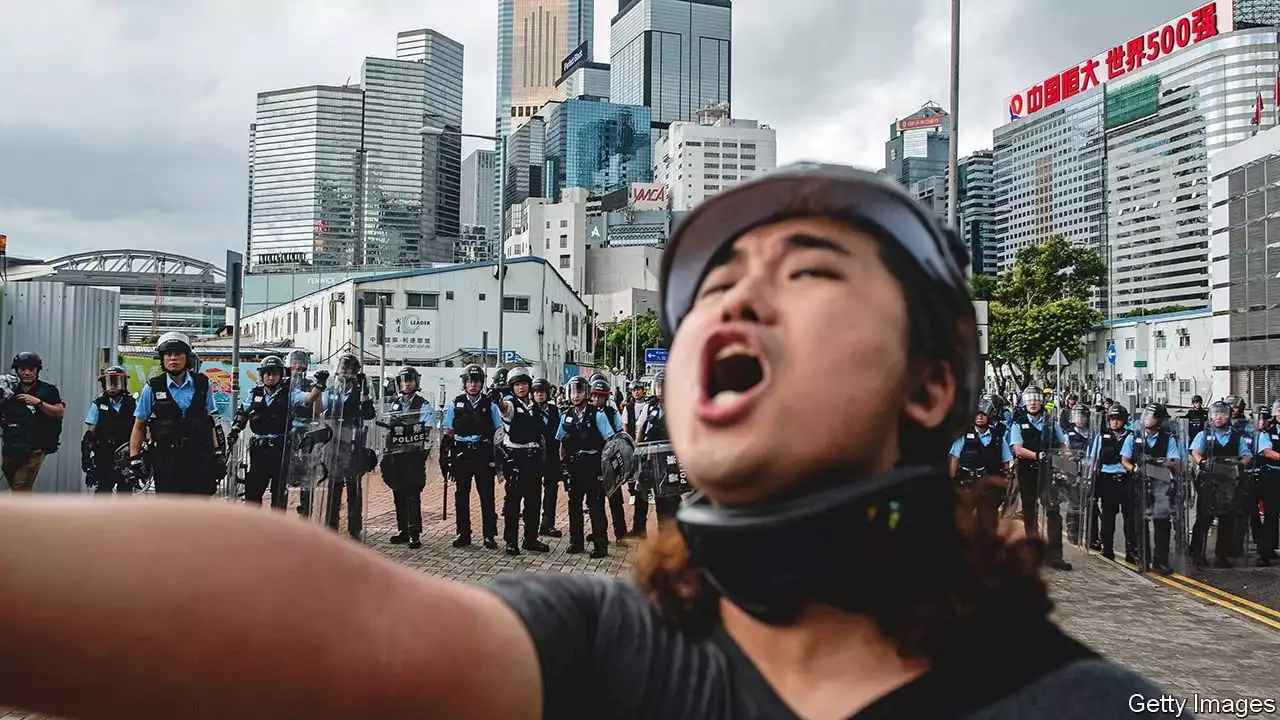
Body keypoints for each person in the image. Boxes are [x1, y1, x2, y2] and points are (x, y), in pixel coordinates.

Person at [0, 163, 1172, 719]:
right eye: (712, 285)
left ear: (930, 385)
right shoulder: (615, 650)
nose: (731, 301)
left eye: (804, 272)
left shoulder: (1091, 708)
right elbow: (347, 623)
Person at [130, 333, 221, 495]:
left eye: (178, 354)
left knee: (199, 510)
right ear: (162, 358)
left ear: (187, 357)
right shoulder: (152, 387)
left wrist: (218, 453)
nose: (173, 358)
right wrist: (134, 458)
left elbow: (212, 421)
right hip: (167, 460)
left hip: (199, 458)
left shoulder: (202, 384)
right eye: (168, 354)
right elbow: (139, 426)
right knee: (169, 512)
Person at [1008, 385, 1071, 570]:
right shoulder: (1018, 422)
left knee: (1053, 512)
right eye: (1029, 400)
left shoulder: (1050, 421)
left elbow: (1062, 444)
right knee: (1030, 513)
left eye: (1036, 399)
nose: (1033, 403)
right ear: (1024, 403)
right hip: (1027, 471)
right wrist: (1037, 455)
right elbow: (1017, 449)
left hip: (1048, 472)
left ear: (1042, 402)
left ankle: (1055, 555)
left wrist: (1071, 458)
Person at [440, 364, 502, 549]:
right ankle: (463, 534)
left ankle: (489, 535)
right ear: (464, 383)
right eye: (469, 381)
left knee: (487, 496)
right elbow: (449, 431)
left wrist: (497, 460)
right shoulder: (455, 404)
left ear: (482, 383)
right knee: (461, 496)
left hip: (483, 453)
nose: (473, 385)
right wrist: (445, 455)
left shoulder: (490, 405)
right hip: (462, 453)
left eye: (476, 381)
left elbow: (498, 432)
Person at [556, 375, 616, 558]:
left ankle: (600, 543)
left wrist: (604, 469)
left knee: (595, 505)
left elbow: (609, 441)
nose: (576, 396)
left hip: (593, 465)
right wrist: (563, 466)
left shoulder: (598, 414)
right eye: (573, 391)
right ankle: (576, 541)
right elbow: (561, 443)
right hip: (575, 467)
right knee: (574, 505)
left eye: (580, 391)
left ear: (587, 392)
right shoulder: (566, 415)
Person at [494, 367, 551, 556]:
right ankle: (511, 541)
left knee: (534, 501)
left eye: (523, 384)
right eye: (517, 385)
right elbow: (504, 408)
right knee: (512, 503)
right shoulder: (511, 405)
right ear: (512, 387)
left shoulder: (534, 406)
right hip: (515, 459)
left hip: (533, 458)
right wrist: (497, 400)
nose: (521, 388)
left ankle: (531, 539)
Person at [1189, 400, 1252, 569]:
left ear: (1229, 416)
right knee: (1204, 517)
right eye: (1215, 414)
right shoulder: (1204, 434)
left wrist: (1239, 464)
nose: (1218, 417)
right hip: (1208, 480)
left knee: (1226, 518)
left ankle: (1221, 555)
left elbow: (1247, 456)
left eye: (1222, 414)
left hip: (1229, 482)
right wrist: (1201, 462)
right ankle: (1197, 553)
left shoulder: (1237, 436)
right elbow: (1195, 451)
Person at [319, 354, 375, 540]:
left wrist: (365, 390)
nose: (344, 373)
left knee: (354, 489)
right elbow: (320, 409)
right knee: (334, 488)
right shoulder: (331, 391)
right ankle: (331, 527)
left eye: (348, 370)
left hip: (353, 445)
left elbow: (368, 415)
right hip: (333, 445)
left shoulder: (359, 393)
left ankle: (354, 529)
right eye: (342, 370)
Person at [229, 356, 291, 509]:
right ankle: (254, 529)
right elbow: (243, 411)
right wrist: (236, 429)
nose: (271, 377)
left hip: (280, 450)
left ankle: (277, 530)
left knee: (279, 496)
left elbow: (306, 402)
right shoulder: (255, 393)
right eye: (267, 374)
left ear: (281, 376)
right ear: (262, 375)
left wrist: (318, 386)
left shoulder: (288, 393)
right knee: (253, 494)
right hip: (259, 452)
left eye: (275, 374)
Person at [380, 367, 433, 550]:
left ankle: (414, 532)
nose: (407, 384)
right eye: (404, 381)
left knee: (412, 494)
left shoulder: (423, 404)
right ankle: (402, 530)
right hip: (396, 455)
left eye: (410, 380)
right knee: (398, 493)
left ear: (416, 382)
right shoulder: (394, 404)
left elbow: (426, 429)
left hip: (413, 455)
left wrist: (407, 427)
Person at [1128, 404, 1183, 575]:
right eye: (1146, 415)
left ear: (1159, 420)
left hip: (1161, 483)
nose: (1146, 418)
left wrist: (1157, 462)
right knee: (1140, 523)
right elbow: (1125, 459)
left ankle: (1161, 562)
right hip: (1140, 483)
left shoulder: (1169, 438)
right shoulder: (1135, 436)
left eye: (1150, 416)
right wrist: (1134, 469)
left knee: (1162, 524)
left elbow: (1175, 461)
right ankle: (1143, 559)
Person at [0, 352, 65, 492]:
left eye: (31, 369)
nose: (27, 373)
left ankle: (18, 513)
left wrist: (39, 403)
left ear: (37, 370)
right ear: (17, 370)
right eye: (22, 369)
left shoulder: (48, 390)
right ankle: (29, 511)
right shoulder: (9, 390)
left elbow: (59, 412)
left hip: (36, 447)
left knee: (19, 487)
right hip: (11, 446)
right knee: (17, 485)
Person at [949, 397, 1012, 539]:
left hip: (990, 488)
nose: (980, 417)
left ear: (989, 416)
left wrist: (1005, 483)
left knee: (988, 525)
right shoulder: (963, 435)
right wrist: (952, 483)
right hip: (967, 485)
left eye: (983, 414)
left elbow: (1006, 462)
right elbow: (955, 459)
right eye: (977, 414)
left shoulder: (997, 437)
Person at [1088, 404, 1135, 563]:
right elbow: (1093, 460)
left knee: (1130, 518)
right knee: (1108, 518)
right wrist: (1090, 479)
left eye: (1118, 419)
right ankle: (1107, 550)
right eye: (1112, 419)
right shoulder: (1101, 437)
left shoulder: (1131, 436)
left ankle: (1131, 552)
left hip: (1127, 479)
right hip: (1107, 481)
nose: (1115, 422)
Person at [634, 370, 682, 525]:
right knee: (657, 495)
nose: (661, 390)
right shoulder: (649, 407)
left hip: (671, 459)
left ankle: (677, 533)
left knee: (673, 498)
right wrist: (638, 451)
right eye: (659, 386)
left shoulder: (678, 407)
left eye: (665, 386)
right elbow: (641, 430)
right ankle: (661, 533)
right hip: (653, 459)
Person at [82, 366, 136, 494]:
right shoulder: (98, 404)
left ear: (123, 384)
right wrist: (86, 461)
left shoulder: (132, 403)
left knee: (125, 491)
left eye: (115, 382)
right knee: (103, 490)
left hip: (126, 454)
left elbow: (141, 427)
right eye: (108, 383)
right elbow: (90, 433)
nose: (111, 386)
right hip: (104, 454)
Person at [591, 377, 630, 544]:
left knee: (615, 500)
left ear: (606, 398)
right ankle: (599, 533)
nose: (597, 400)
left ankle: (620, 533)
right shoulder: (588, 413)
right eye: (594, 396)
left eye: (600, 396)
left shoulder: (612, 413)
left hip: (610, 463)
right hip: (593, 462)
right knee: (595, 502)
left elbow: (619, 435)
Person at [530, 377, 564, 538]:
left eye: (542, 392)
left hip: (551, 455)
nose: (539, 395)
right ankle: (532, 524)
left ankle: (547, 524)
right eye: (536, 392)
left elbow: (562, 433)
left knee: (551, 490)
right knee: (533, 492)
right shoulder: (529, 410)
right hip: (534, 456)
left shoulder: (555, 410)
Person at [620, 379, 650, 534]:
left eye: (639, 389)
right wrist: (628, 442)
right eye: (634, 390)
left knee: (644, 472)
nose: (637, 392)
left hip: (647, 446)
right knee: (631, 470)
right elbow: (625, 426)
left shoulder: (649, 406)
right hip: (633, 442)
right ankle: (632, 491)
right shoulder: (628, 408)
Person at [1253, 405, 1280, 567]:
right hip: (1273, 476)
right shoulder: (1267, 433)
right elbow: (1267, 452)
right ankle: (1264, 553)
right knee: (1271, 514)